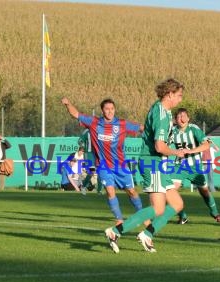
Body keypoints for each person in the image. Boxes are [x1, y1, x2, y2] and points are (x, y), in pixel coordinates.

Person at [102, 78, 186, 253]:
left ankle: (147, 234)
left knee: (177, 203)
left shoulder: (163, 109)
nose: (180, 99)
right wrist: (177, 152)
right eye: (178, 95)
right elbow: (159, 146)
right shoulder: (162, 114)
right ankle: (116, 231)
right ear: (169, 94)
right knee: (158, 208)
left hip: (159, 164)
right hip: (152, 163)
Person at [62, 97, 144, 227]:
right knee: (110, 192)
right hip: (103, 166)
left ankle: (142, 215)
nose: (110, 111)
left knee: (132, 192)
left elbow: (140, 128)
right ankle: (119, 220)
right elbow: (76, 114)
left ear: (114, 110)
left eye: (112, 109)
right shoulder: (94, 122)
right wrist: (68, 104)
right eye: (107, 109)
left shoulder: (122, 124)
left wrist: (153, 130)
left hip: (120, 166)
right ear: (102, 110)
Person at [170, 108, 220, 224]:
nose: (182, 118)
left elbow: (206, 145)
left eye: (184, 116)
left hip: (195, 166)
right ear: (175, 120)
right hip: (180, 165)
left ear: (188, 118)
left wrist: (191, 151)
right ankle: (182, 216)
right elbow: (163, 144)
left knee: (204, 191)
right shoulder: (173, 131)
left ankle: (215, 212)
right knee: (170, 191)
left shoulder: (193, 129)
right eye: (179, 117)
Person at [78, 129, 103, 194]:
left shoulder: (100, 130)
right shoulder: (87, 131)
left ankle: (99, 190)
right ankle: (83, 186)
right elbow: (80, 140)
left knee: (100, 172)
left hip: (98, 154)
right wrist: (83, 146)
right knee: (92, 171)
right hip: (89, 154)